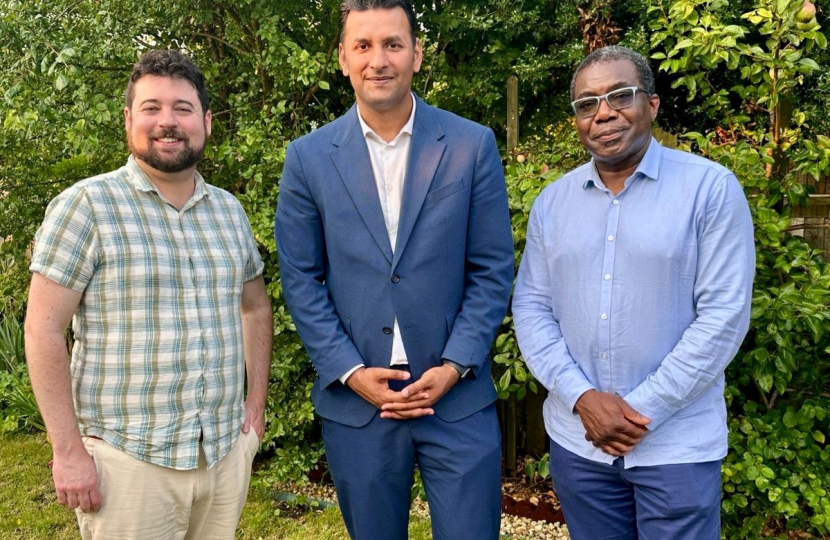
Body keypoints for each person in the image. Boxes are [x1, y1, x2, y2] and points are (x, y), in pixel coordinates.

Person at [275, 1, 513, 538]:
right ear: (342, 58)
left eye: (392, 44)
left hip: (456, 397)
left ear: (416, 55)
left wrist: (455, 365)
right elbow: (301, 279)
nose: (377, 60)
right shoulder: (308, 158)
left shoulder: (472, 145)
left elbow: (492, 268)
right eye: (363, 45)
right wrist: (351, 372)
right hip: (358, 406)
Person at [24, 49, 272, 540]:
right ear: (128, 119)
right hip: (129, 460)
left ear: (205, 121)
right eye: (152, 107)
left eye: (182, 109)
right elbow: (43, 329)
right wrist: (68, 452)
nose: (167, 122)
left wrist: (255, 413)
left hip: (222, 453)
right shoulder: (86, 206)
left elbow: (255, 305)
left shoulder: (229, 212)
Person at [513, 45, 755, 540]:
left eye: (620, 96)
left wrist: (636, 412)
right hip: (579, 443)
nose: (603, 113)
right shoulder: (551, 203)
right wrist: (583, 398)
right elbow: (532, 308)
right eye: (586, 103)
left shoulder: (710, 190)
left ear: (652, 104)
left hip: (676, 447)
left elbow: (723, 316)